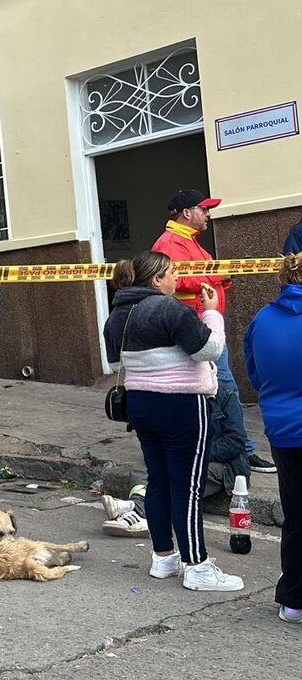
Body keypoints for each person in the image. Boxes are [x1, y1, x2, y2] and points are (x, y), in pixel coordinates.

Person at [104, 250, 242, 592]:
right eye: (172, 272)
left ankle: (162, 557)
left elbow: (113, 354)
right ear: (156, 279)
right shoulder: (168, 308)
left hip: (140, 404)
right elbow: (208, 350)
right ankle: (197, 565)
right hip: (182, 405)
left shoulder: (118, 314)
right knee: (188, 487)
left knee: (159, 481)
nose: (176, 278)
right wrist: (212, 314)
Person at [152, 189, 274, 473]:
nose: (208, 215)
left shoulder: (188, 241)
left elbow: (200, 278)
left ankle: (226, 445)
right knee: (225, 386)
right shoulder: (171, 242)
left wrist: (221, 280)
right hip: (196, 327)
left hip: (204, 323)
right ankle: (240, 448)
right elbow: (177, 281)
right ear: (187, 213)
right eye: (204, 210)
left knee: (217, 388)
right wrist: (219, 276)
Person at [244, 252, 302, 622]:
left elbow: (255, 374)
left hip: (283, 430)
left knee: (296, 514)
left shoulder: (261, 320)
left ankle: (294, 601)